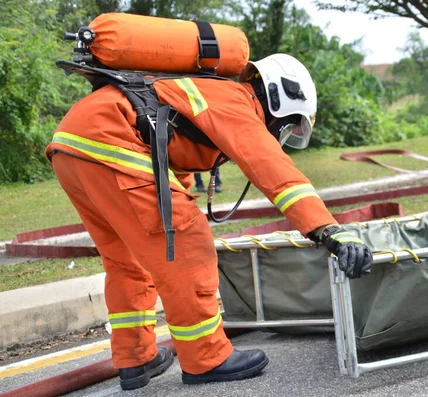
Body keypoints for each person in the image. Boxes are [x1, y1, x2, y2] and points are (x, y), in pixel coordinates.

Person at [45, 53, 373, 390]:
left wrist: (178, 203)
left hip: (72, 145)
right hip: (109, 141)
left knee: (126, 260)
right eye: (288, 123)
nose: (283, 133)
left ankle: (135, 358)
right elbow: (275, 170)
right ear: (277, 98)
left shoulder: (205, 92)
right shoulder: (237, 102)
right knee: (188, 245)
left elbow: (169, 151)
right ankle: (206, 357)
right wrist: (329, 230)